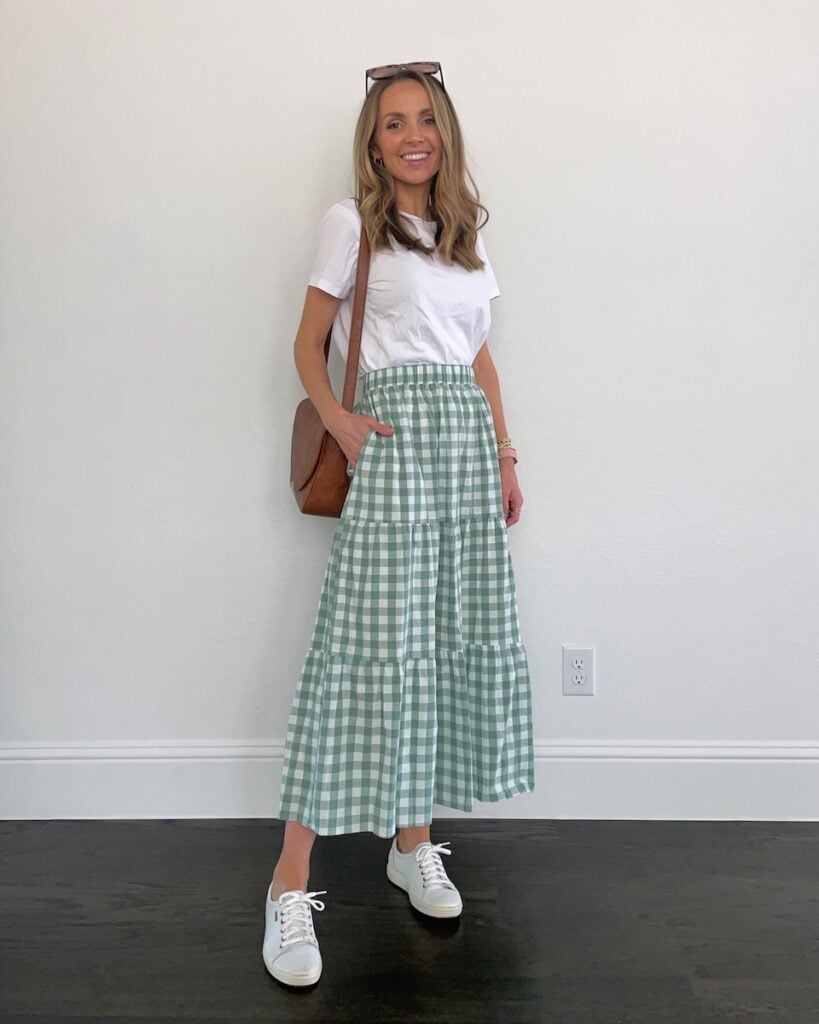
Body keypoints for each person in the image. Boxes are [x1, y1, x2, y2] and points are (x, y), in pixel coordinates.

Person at [263, 61, 535, 987]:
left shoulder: (464, 235)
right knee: (363, 647)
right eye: (392, 123)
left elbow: (478, 358)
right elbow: (307, 343)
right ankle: (287, 883)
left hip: (463, 453)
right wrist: (338, 419)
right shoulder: (352, 224)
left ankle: (412, 842)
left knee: (441, 639)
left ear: (442, 133)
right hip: (392, 447)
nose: (411, 135)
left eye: (424, 119)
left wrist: (503, 452)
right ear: (373, 143)